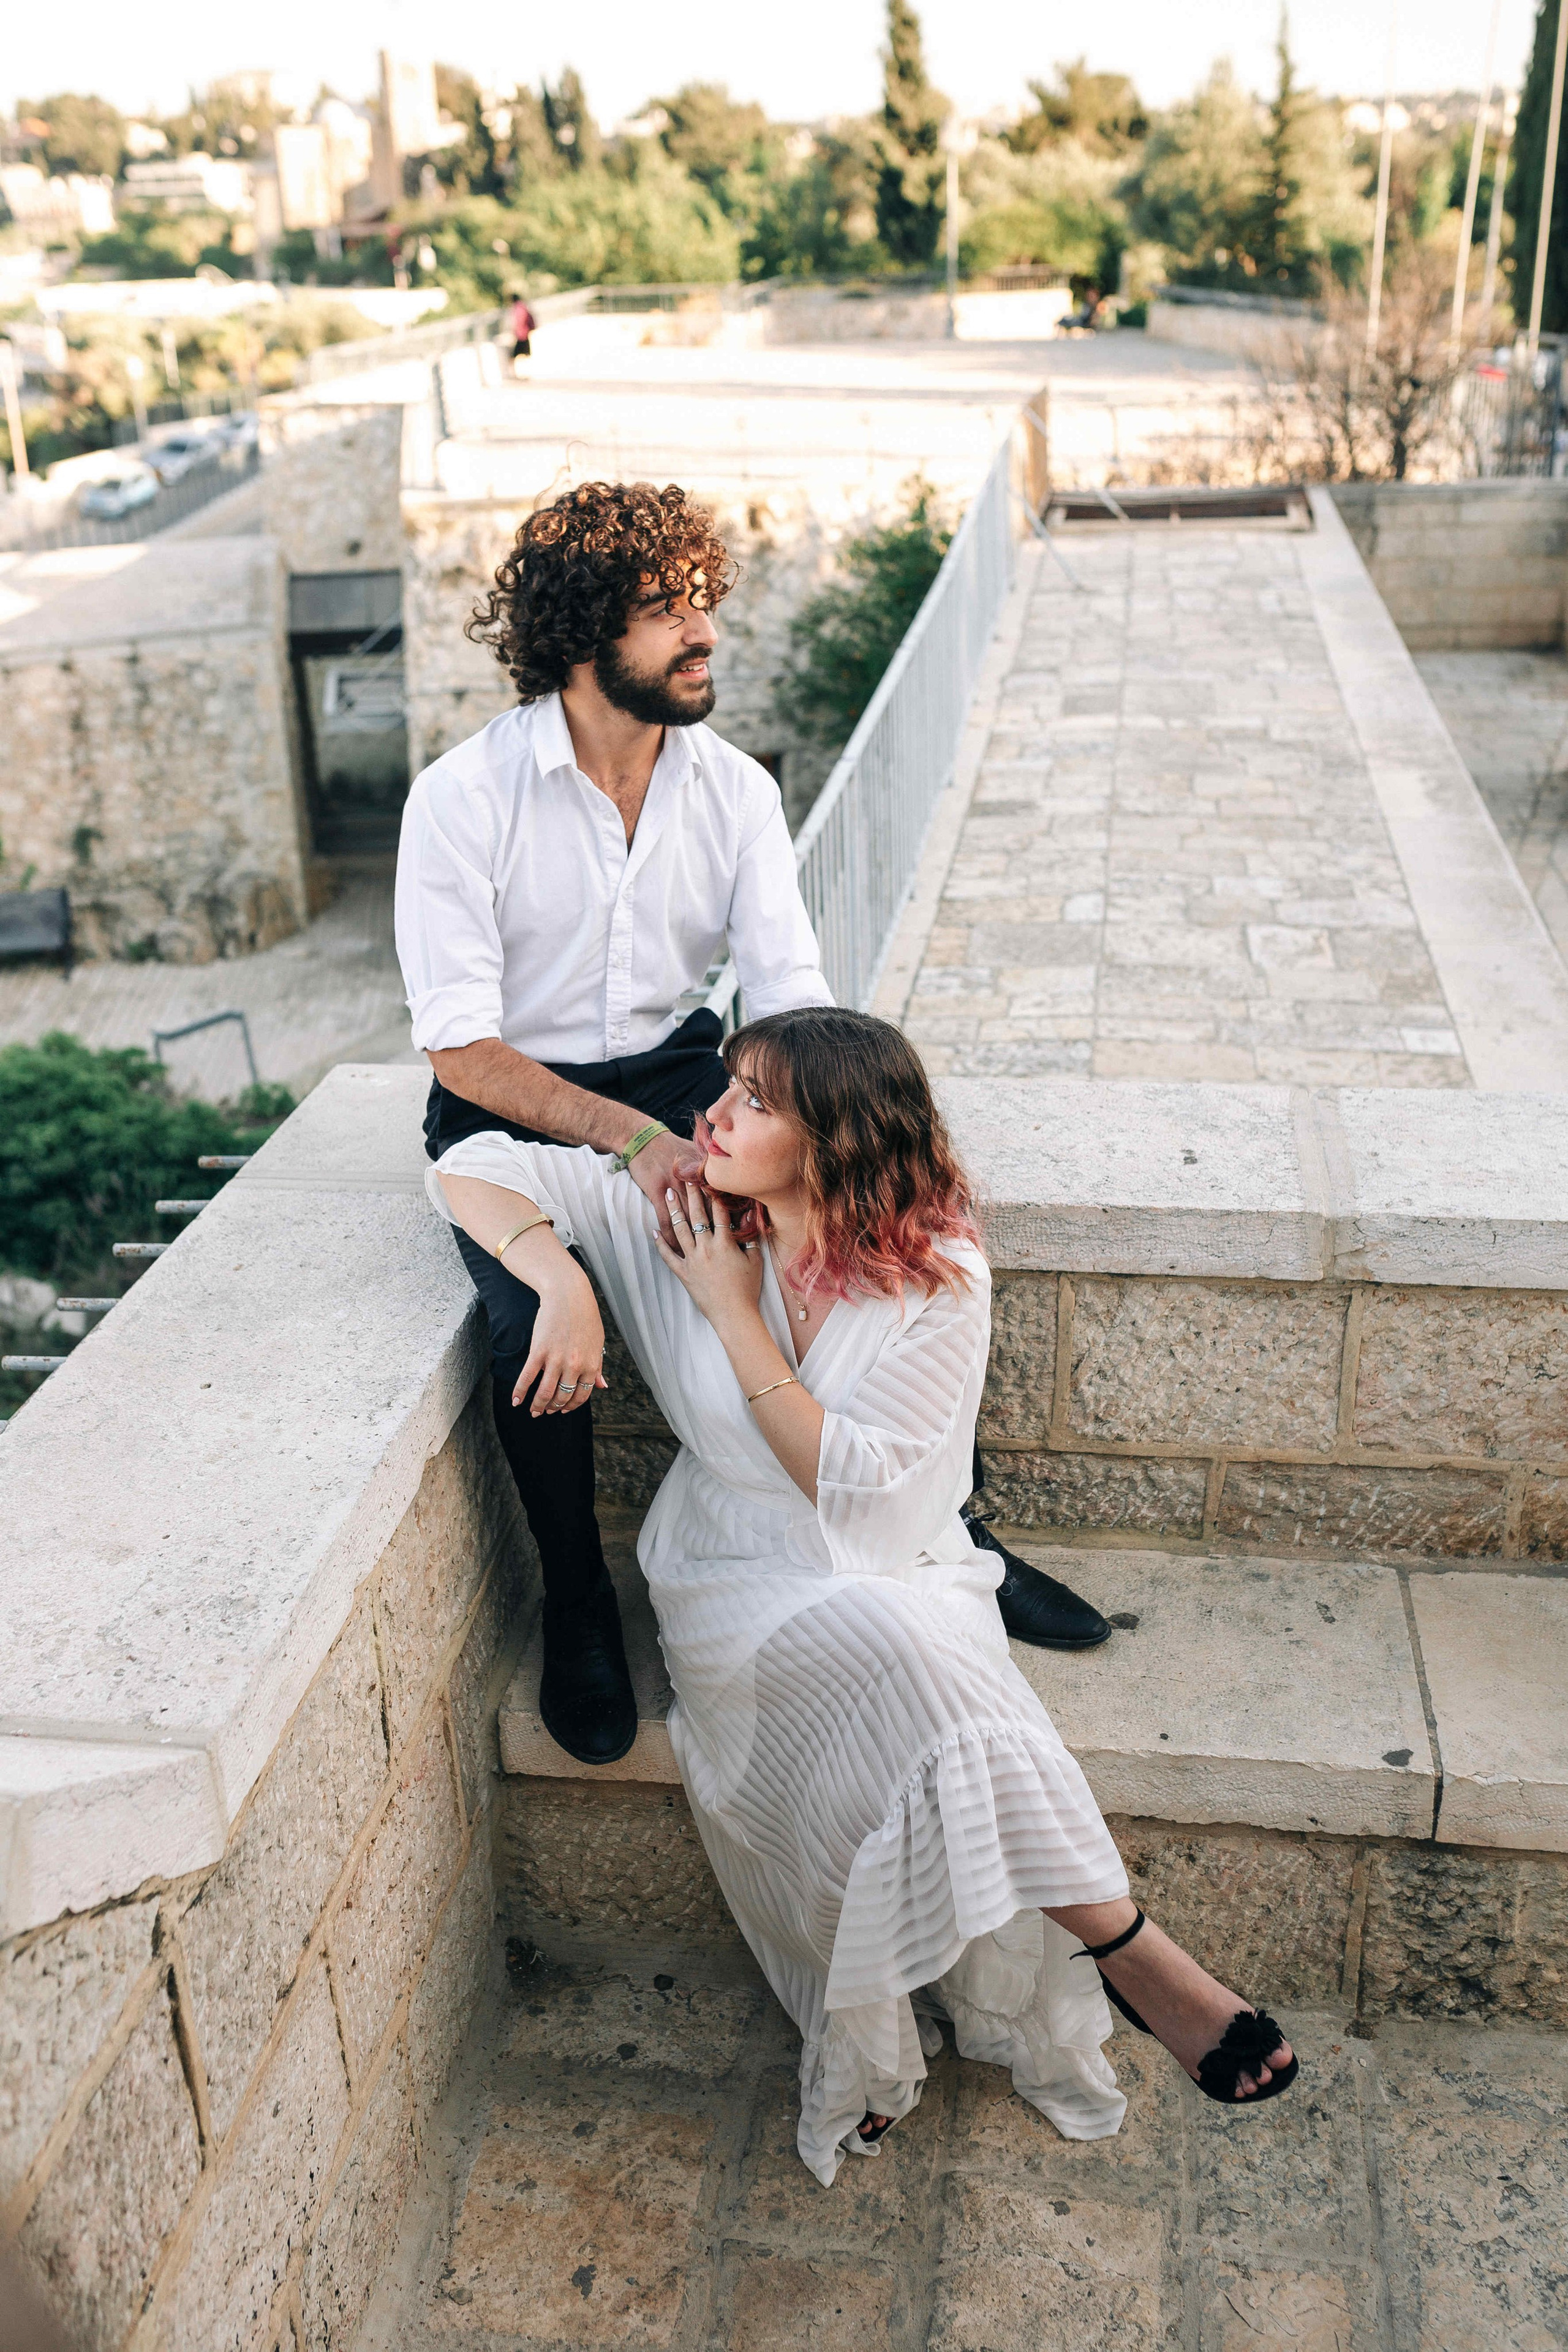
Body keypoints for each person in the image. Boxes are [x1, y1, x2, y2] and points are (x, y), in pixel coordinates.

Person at [426, 1007, 1299, 2181]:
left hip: (889, 1563)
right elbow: (469, 1162)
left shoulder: (937, 1281)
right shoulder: (683, 1212)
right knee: (926, 1682)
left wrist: (734, 1317)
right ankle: (1128, 1948)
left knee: (935, 1682)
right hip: (734, 1574)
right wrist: (560, 1282)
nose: (713, 1115)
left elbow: (873, 1515)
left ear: (836, 1142)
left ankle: (1084, 1963)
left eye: (753, 1101)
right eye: (726, 1086)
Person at [395, 478, 1110, 1774]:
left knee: (883, 1221)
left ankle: (952, 1532)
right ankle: (576, 1600)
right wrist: (628, 1145)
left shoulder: (731, 791)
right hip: (512, 1092)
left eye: (700, 602)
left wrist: (845, 1144)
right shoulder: (462, 799)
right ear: (578, 640)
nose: (701, 632)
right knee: (522, 1330)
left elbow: (786, 995)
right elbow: (461, 1047)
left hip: (679, 1073)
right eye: (664, 610)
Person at [509, 290, 536, 376]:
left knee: (514, 356)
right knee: (526, 354)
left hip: (521, 335)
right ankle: (527, 373)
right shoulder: (523, 306)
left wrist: (516, 331)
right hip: (525, 333)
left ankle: (516, 374)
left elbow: (519, 321)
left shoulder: (518, 308)